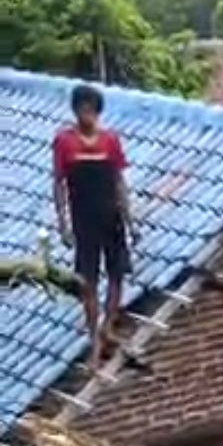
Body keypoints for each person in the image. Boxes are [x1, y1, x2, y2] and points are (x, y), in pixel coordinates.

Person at [52, 84, 136, 370]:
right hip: (83, 222)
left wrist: (130, 220)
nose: (87, 115)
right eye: (82, 109)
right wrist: (63, 223)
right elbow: (59, 184)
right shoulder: (65, 142)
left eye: (91, 110)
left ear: (97, 112)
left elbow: (119, 182)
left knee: (117, 274)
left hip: (111, 217)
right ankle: (95, 345)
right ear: (75, 111)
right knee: (88, 284)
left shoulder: (110, 140)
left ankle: (108, 325)